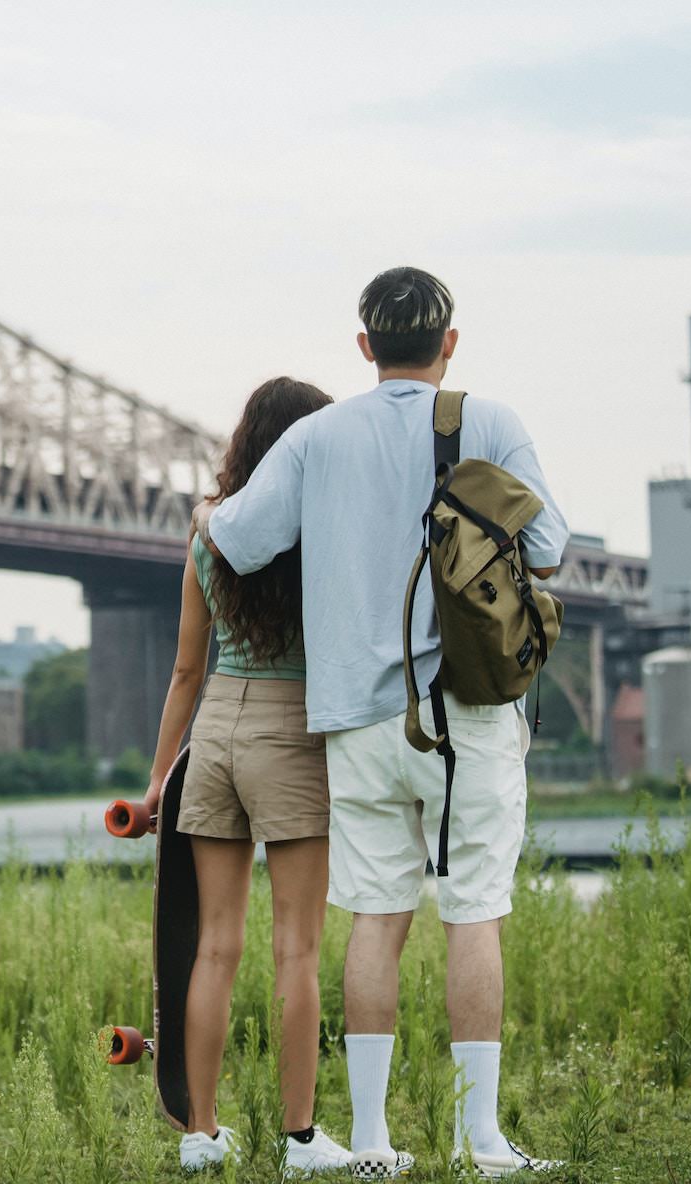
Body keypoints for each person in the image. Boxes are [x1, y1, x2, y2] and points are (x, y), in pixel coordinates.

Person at [193, 268, 569, 1179]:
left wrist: (208, 507)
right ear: (450, 342)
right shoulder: (492, 421)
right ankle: (478, 1141)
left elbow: (237, 539)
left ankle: (368, 1141)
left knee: (375, 918)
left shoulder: (317, 437)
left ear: (364, 346)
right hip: (471, 715)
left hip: (357, 723)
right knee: (473, 913)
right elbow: (551, 549)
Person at [142, 377, 355, 1177]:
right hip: (288, 735)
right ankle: (300, 1141)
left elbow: (185, 671)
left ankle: (202, 1135)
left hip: (215, 740)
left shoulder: (207, 528)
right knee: (296, 949)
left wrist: (161, 777)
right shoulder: (323, 528)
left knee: (214, 949)